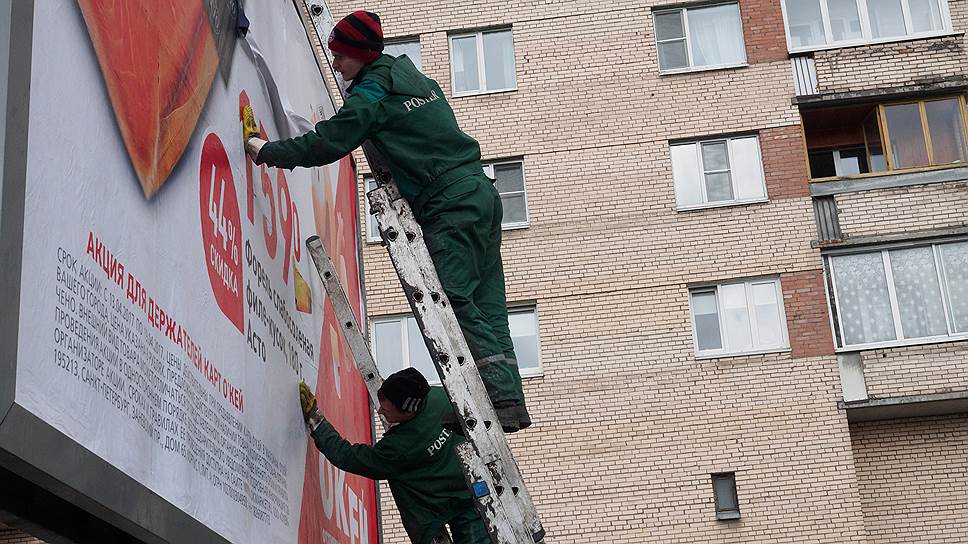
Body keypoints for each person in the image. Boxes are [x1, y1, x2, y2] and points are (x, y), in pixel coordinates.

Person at [243, 10, 530, 432]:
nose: (337, 65)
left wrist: (267, 152)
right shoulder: (410, 77)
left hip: (448, 202)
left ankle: (488, 394)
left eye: (341, 57)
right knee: (487, 302)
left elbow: (329, 142)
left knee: (454, 300)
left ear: (360, 55)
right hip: (480, 194)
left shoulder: (373, 92)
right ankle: (507, 399)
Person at [299, 369, 490, 544]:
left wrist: (317, 422)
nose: (380, 411)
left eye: (387, 409)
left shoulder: (399, 447)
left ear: (408, 410)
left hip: (431, 513)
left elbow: (348, 456)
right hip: (472, 495)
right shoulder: (441, 397)